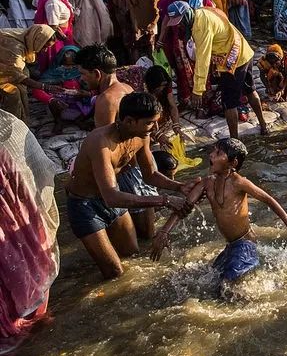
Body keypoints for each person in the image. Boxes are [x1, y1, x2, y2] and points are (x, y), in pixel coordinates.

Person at [150, 138, 287, 297]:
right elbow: (184, 207)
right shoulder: (206, 183)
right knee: (213, 278)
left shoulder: (239, 182)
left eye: (218, 153)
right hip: (231, 246)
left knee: (227, 287)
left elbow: (268, 200)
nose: (211, 155)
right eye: (213, 151)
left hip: (245, 243)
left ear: (233, 163)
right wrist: (164, 232)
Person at [66, 93, 195, 279]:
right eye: (149, 123)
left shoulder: (142, 136)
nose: (154, 127)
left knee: (133, 257)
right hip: (85, 206)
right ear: (129, 121)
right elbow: (111, 197)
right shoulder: (100, 143)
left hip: (112, 199)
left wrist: (180, 187)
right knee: (114, 272)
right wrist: (165, 200)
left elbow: (150, 175)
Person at [0, 110, 60, 355]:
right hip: (20, 229)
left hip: (15, 226)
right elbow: (37, 176)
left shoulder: (7, 144)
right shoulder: (8, 140)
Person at [163, 1, 268, 138]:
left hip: (232, 59)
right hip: (244, 50)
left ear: (187, 14)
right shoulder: (202, 11)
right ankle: (263, 125)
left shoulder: (200, 27)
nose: (180, 25)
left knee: (229, 103)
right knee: (250, 89)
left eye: (181, 21)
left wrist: (198, 90)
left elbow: (203, 59)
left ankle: (234, 141)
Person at [0, 25, 57, 121]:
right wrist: (44, 87)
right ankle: (11, 124)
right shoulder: (14, 46)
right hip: (4, 73)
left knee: (22, 85)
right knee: (13, 93)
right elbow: (15, 74)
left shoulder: (26, 36)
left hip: (6, 70)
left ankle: (22, 120)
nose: (45, 50)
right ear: (38, 41)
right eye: (44, 46)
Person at [74, 44, 133, 128]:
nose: (80, 79)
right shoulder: (128, 88)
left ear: (96, 73)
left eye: (82, 73)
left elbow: (105, 139)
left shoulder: (106, 99)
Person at [33, 0, 74, 73]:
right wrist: (67, 42)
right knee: (58, 69)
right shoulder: (52, 1)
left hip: (61, 37)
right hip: (57, 43)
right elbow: (53, 26)